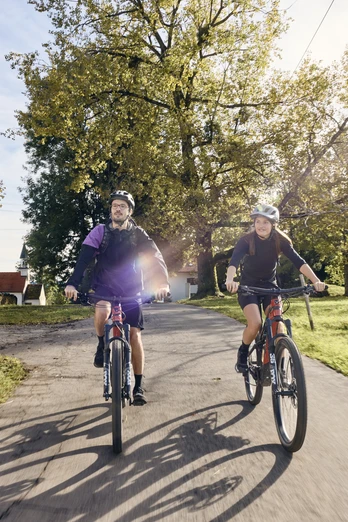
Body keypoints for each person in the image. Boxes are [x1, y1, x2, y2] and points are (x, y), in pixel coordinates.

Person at [65, 190, 170, 405]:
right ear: (111, 210)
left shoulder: (138, 233)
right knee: (102, 312)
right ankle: (101, 343)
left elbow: (154, 257)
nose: (118, 209)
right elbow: (84, 258)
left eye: (122, 206)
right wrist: (73, 283)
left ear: (129, 211)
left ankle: (138, 386)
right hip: (104, 285)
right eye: (114, 205)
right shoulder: (99, 232)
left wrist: (162, 283)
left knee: (134, 335)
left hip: (131, 288)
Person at [225, 203, 326, 373]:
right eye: (258, 221)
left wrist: (316, 281)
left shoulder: (281, 241)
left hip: (270, 286)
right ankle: (243, 351)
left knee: (278, 324)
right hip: (248, 287)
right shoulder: (246, 241)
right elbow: (234, 262)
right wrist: (230, 279)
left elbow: (299, 262)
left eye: (266, 222)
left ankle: (279, 367)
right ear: (254, 223)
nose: (261, 226)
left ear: (273, 224)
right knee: (256, 323)